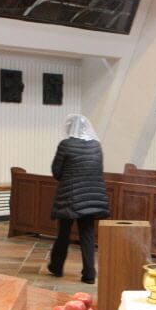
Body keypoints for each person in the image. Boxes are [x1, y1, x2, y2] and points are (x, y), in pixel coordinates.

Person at [47, 114, 110, 284]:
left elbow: (56, 171)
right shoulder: (96, 145)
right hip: (92, 195)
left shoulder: (66, 144)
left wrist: (69, 178)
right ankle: (89, 274)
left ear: (70, 127)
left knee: (63, 233)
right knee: (87, 235)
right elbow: (99, 170)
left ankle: (56, 267)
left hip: (70, 195)